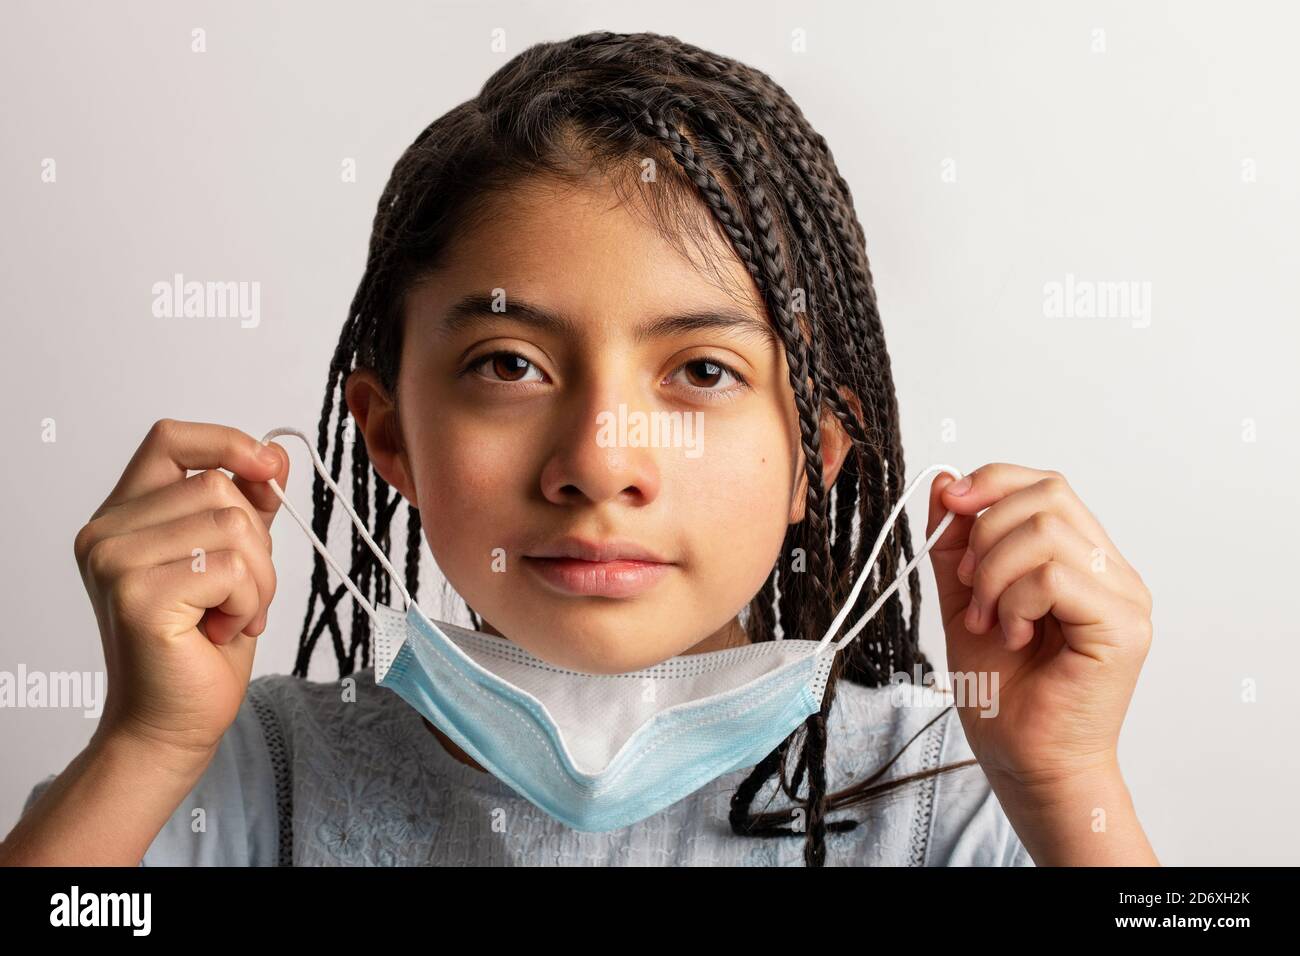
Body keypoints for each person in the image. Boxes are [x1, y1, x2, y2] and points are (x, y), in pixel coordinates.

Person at [2, 31, 1155, 867]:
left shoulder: (949, 802)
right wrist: (145, 746)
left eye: (701, 372)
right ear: (390, 434)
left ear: (817, 449)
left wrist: (1065, 785)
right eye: (510, 365)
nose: (601, 463)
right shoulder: (256, 779)